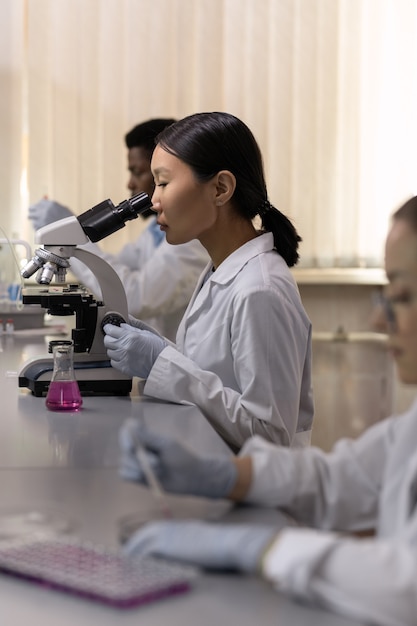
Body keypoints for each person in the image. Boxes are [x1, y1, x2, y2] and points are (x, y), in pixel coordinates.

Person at [115, 195, 417, 626]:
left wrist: (257, 549)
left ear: (219, 187)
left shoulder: (262, 286)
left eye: (401, 297)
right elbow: (339, 480)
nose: (379, 321)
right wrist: (223, 477)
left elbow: (407, 587)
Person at [103, 112, 314, 451]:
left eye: (164, 182)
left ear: (220, 188)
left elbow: (272, 434)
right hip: (210, 470)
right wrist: (160, 349)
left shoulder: (260, 289)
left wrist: (161, 363)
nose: (153, 200)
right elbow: (213, 377)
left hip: (256, 494)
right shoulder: (220, 270)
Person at [28, 118, 209, 341]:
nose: (130, 184)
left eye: (138, 172)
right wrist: (71, 238)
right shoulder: (155, 230)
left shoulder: (192, 239)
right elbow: (115, 269)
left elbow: (136, 297)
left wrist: (73, 239)